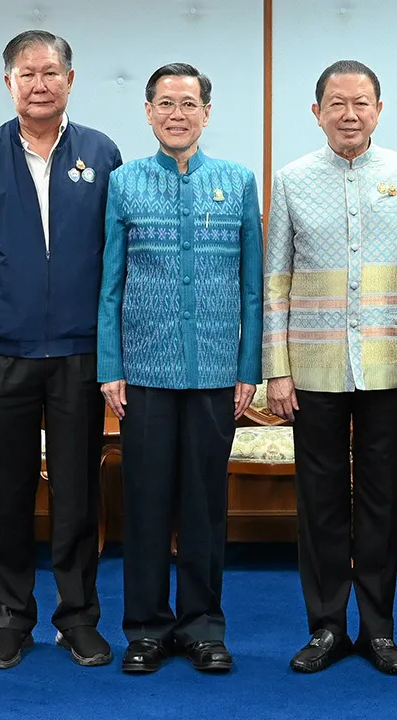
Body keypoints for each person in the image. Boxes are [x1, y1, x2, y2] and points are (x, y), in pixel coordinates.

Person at [0, 30, 122, 670]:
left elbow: (117, 258)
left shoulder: (101, 153)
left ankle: (77, 618)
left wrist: (115, 351)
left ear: (70, 80)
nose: (39, 84)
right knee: (7, 492)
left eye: (50, 73)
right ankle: (10, 618)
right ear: (9, 83)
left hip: (80, 354)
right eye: (27, 74)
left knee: (77, 493)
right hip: (2, 355)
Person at [263, 60, 397, 675]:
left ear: (379, 109)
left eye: (361, 102)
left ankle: (378, 630)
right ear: (317, 112)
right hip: (312, 366)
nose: (349, 114)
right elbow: (276, 281)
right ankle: (325, 626)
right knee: (318, 500)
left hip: (389, 363)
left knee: (379, 498)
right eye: (337, 104)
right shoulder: (291, 180)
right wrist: (277, 367)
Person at [98, 63, 262, 675]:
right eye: (165, 103)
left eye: (188, 103)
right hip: (143, 372)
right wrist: (110, 366)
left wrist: (248, 366)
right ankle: (145, 629)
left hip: (217, 371)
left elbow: (252, 287)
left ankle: (203, 627)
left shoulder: (237, 181)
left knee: (205, 506)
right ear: (148, 112)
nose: (177, 114)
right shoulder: (125, 183)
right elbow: (110, 282)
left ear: (206, 113)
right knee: (144, 503)